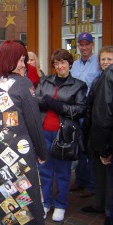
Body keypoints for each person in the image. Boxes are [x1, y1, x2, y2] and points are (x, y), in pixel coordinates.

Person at [0, 40, 48, 225]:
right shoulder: (22, 84)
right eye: (21, 60)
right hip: (17, 155)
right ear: (11, 60)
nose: (23, 65)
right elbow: (34, 123)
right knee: (20, 200)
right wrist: (42, 152)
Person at [36, 49, 87, 222]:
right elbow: (36, 101)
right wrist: (46, 102)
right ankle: (45, 202)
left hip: (64, 135)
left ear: (70, 63)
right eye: (56, 63)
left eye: (63, 62)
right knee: (44, 171)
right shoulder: (45, 81)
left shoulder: (78, 85)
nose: (60, 66)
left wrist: (56, 105)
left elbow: (80, 110)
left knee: (63, 173)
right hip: (44, 132)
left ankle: (60, 204)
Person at [81, 46, 113, 221]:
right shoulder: (99, 79)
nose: (106, 62)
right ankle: (99, 204)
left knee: (109, 176)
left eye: (109, 59)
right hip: (97, 135)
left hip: (106, 137)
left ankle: (109, 211)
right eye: (103, 59)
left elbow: (105, 115)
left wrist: (105, 147)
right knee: (99, 173)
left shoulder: (109, 79)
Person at [70, 32, 102, 198]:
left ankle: (91, 184)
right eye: (81, 44)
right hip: (76, 111)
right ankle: (80, 180)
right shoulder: (74, 65)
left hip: (91, 111)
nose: (84, 47)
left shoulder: (98, 64)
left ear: (92, 45)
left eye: (86, 44)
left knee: (90, 149)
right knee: (79, 148)